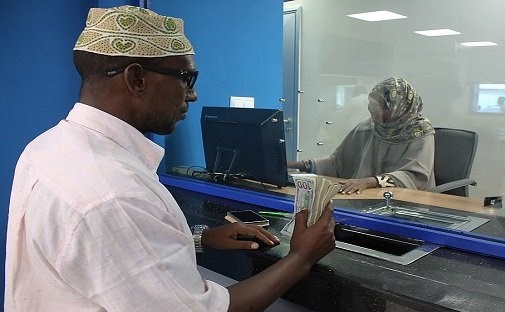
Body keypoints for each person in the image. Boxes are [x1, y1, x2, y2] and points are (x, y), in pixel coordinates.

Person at [4, 6, 335, 312]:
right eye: (186, 78)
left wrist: (198, 240)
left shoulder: (48, 147)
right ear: (137, 79)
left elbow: (102, 257)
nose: (193, 94)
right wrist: (301, 257)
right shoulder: (113, 194)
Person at [289, 77, 435, 195]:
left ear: (398, 108)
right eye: (371, 102)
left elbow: (414, 177)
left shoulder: (420, 131)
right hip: (367, 198)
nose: (371, 108)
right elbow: (339, 163)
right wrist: (298, 165)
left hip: (410, 203)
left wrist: (369, 181)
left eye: (380, 105)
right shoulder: (368, 126)